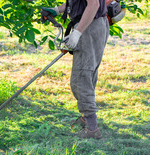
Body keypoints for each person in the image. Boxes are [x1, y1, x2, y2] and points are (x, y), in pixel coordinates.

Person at [42, 0, 109, 139]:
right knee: (87, 75)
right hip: (94, 24)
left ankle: (92, 129)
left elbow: (93, 5)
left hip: (89, 27)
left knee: (81, 79)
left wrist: (77, 32)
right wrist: (56, 10)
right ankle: (87, 119)